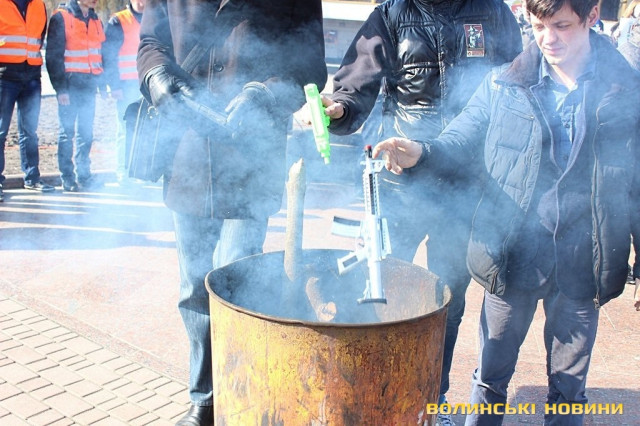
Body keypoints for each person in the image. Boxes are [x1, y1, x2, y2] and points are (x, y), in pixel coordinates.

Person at [373, 0, 640, 424]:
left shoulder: (627, 92)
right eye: (539, 26)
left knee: (569, 393)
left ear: (592, 17)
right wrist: (420, 152)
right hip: (513, 254)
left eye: (562, 26)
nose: (548, 39)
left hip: (582, 259)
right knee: (489, 381)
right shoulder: (503, 83)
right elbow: (459, 140)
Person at [318, 1, 521, 424]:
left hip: (466, 186)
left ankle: (433, 397)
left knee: (447, 303)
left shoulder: (494, 12)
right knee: (381, 292)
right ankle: (375, 395)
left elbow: (515, 84)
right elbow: (355, 81)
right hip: (399, 183)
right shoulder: (391, 14)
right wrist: (339, 107)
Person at [136, 1, 327, 424]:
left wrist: (265, 92)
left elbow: (311, 67)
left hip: (251, 160)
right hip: (187, 155)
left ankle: (240, 398)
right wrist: (156, 76)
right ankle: (204, 400)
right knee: (193, 288)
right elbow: (151, 41)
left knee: (235, 283)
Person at [45, 0, 107, 192]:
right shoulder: (61, 18)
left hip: (89, 85)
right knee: (67, 133)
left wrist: (102, 85)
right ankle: (67, 177)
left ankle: (84, 175)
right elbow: (53, 56)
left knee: (86, 133)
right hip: (70, 86)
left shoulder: (96, 20)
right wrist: (61, 89)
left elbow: (100, 55)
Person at [0, 0, 55, 201]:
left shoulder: (39, 5)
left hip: (31, 75)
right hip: (4, 76)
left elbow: (40, 37)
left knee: (30, 131)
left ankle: (32, 178)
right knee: (0, 131)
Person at [103, 0, 145, 185]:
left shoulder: (155, 18)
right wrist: (114, 85)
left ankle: (141, 172)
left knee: (146, 130)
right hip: (126, 85)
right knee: (125, 129)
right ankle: (123, 172)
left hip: (147, 84)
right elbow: (108, 56)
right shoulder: (118, 21)